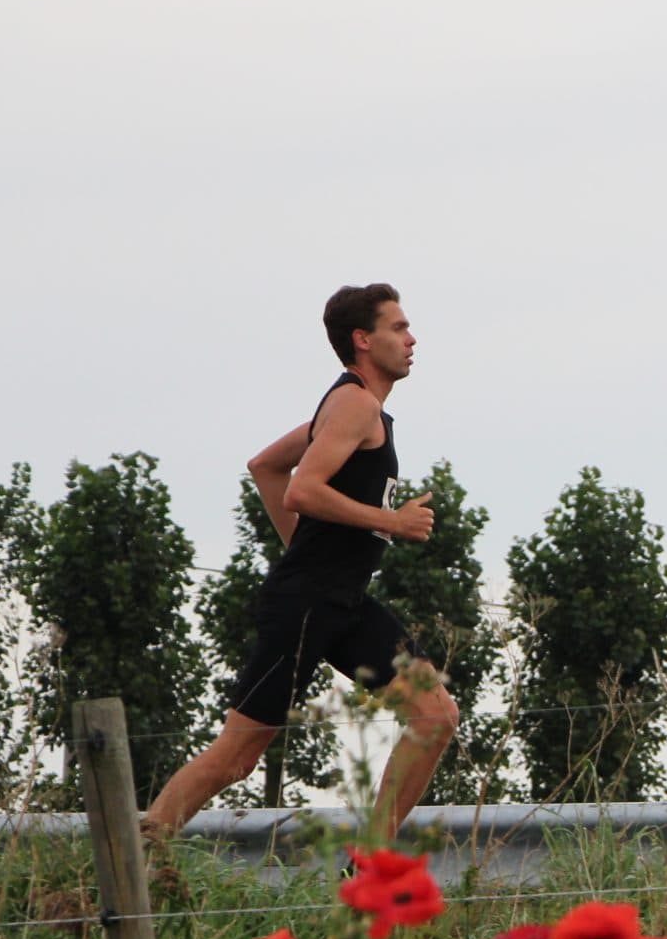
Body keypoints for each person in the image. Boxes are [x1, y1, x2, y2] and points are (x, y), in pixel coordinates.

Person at [144, 284, 460, 841]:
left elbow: (266, 466)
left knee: (434, 714)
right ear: (363, 340)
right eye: (398, 328)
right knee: (236, 758)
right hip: (307, 603)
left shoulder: (357, 410)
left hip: (345, 600)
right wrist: (391, 522)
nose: (412, 339)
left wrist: (305, 549)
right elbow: (301, 490)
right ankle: (138, 851)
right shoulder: (355, 404)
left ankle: (369, 861)